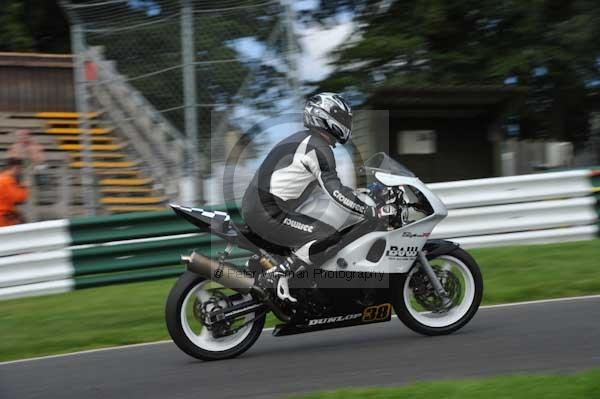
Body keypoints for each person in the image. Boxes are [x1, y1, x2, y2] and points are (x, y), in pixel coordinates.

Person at [242, 92, 380, 302]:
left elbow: (326, 189)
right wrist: (368, 210)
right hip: (269, 210)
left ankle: (275, 272)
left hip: (260, 206)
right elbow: (335, 191)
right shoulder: (318, 147)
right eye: (343, 118)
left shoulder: (304, 141)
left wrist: (360, 195)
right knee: (328, 237)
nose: (346, 123)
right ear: (326, 118)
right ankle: (281, 275)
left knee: (314, 228)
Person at [0, 158, 29, 227]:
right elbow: (18, 198)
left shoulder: (2, 178)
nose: (20, 171)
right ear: (15, 168)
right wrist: (24, 187)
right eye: (20, 169)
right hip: (4, 218)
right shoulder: (7, 181)